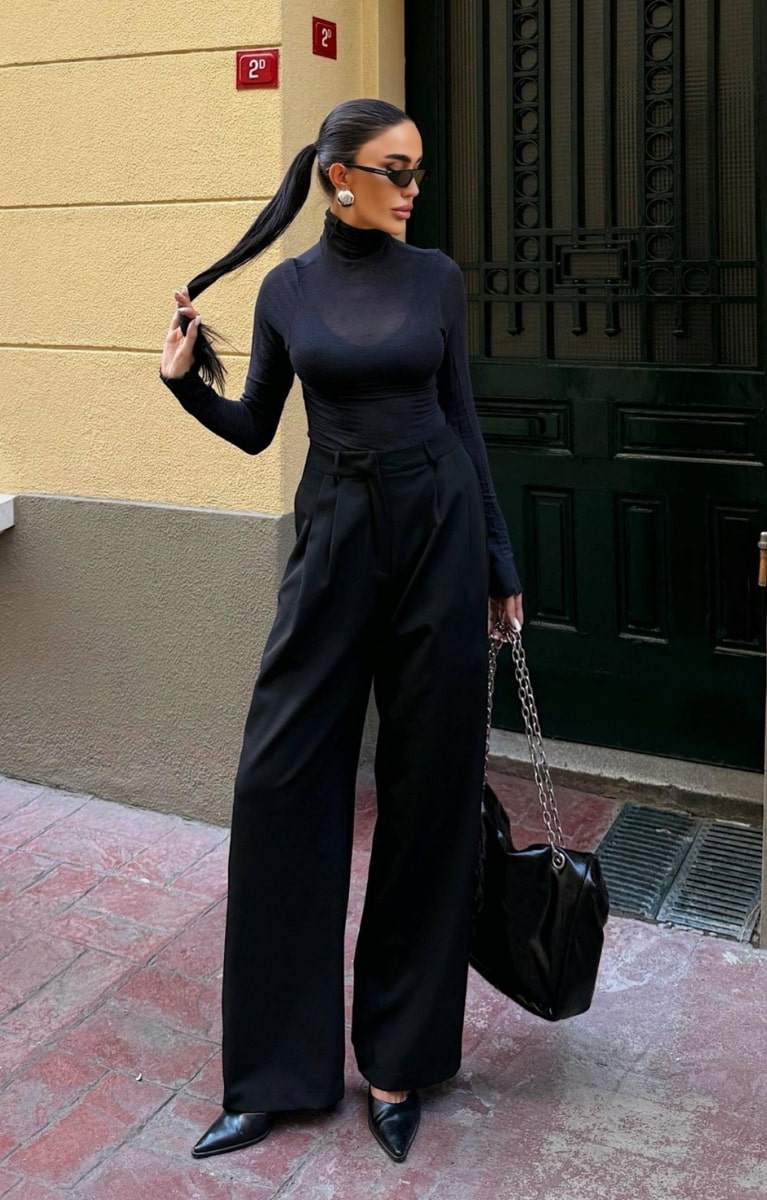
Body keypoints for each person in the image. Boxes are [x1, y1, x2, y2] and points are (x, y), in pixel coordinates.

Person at [159, 97, 524, 1165]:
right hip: (333, 535)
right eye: (395, 171)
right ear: (339, 178)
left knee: (429, 788)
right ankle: (273, 1073)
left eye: (417, 171)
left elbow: (463, 420)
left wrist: (499, 566)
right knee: (280, 782)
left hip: (439, 534)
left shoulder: (437, 279)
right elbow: (254, 425)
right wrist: (184, 385)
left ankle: (401, 1062)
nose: (412, 190)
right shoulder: (287, 289)